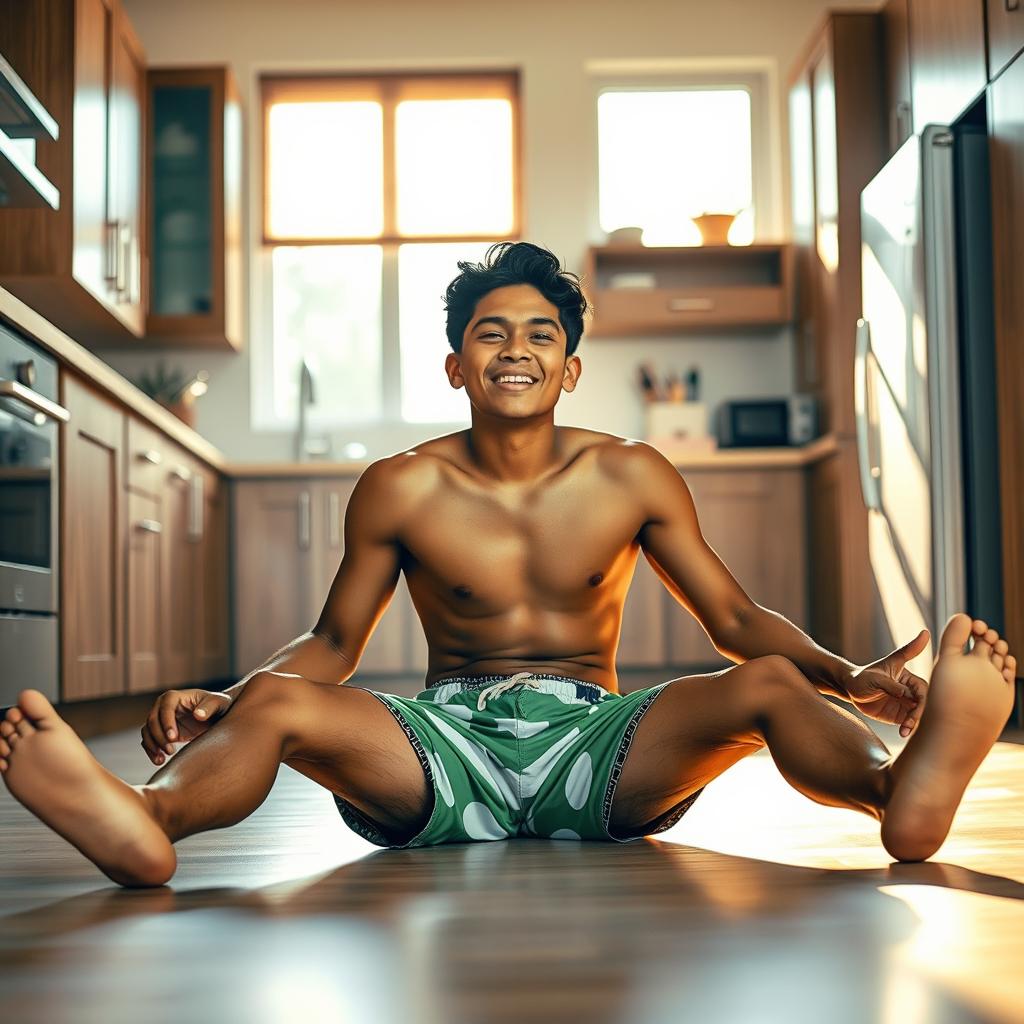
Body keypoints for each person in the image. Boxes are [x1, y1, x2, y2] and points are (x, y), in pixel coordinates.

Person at [0, 241, 1016, 888]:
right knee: (275, 694)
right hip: (438, 744)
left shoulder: (631, 474)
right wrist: (232, 696)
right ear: (456, 364)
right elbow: (333, 645)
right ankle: (147, 818)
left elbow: (737, 617)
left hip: (601, 739)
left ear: (571, 367)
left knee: (762, 682)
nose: (516, 347)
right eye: (491, 332)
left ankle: (898, 793)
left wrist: (848, 676)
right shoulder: (399, 486)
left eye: (541, 333)